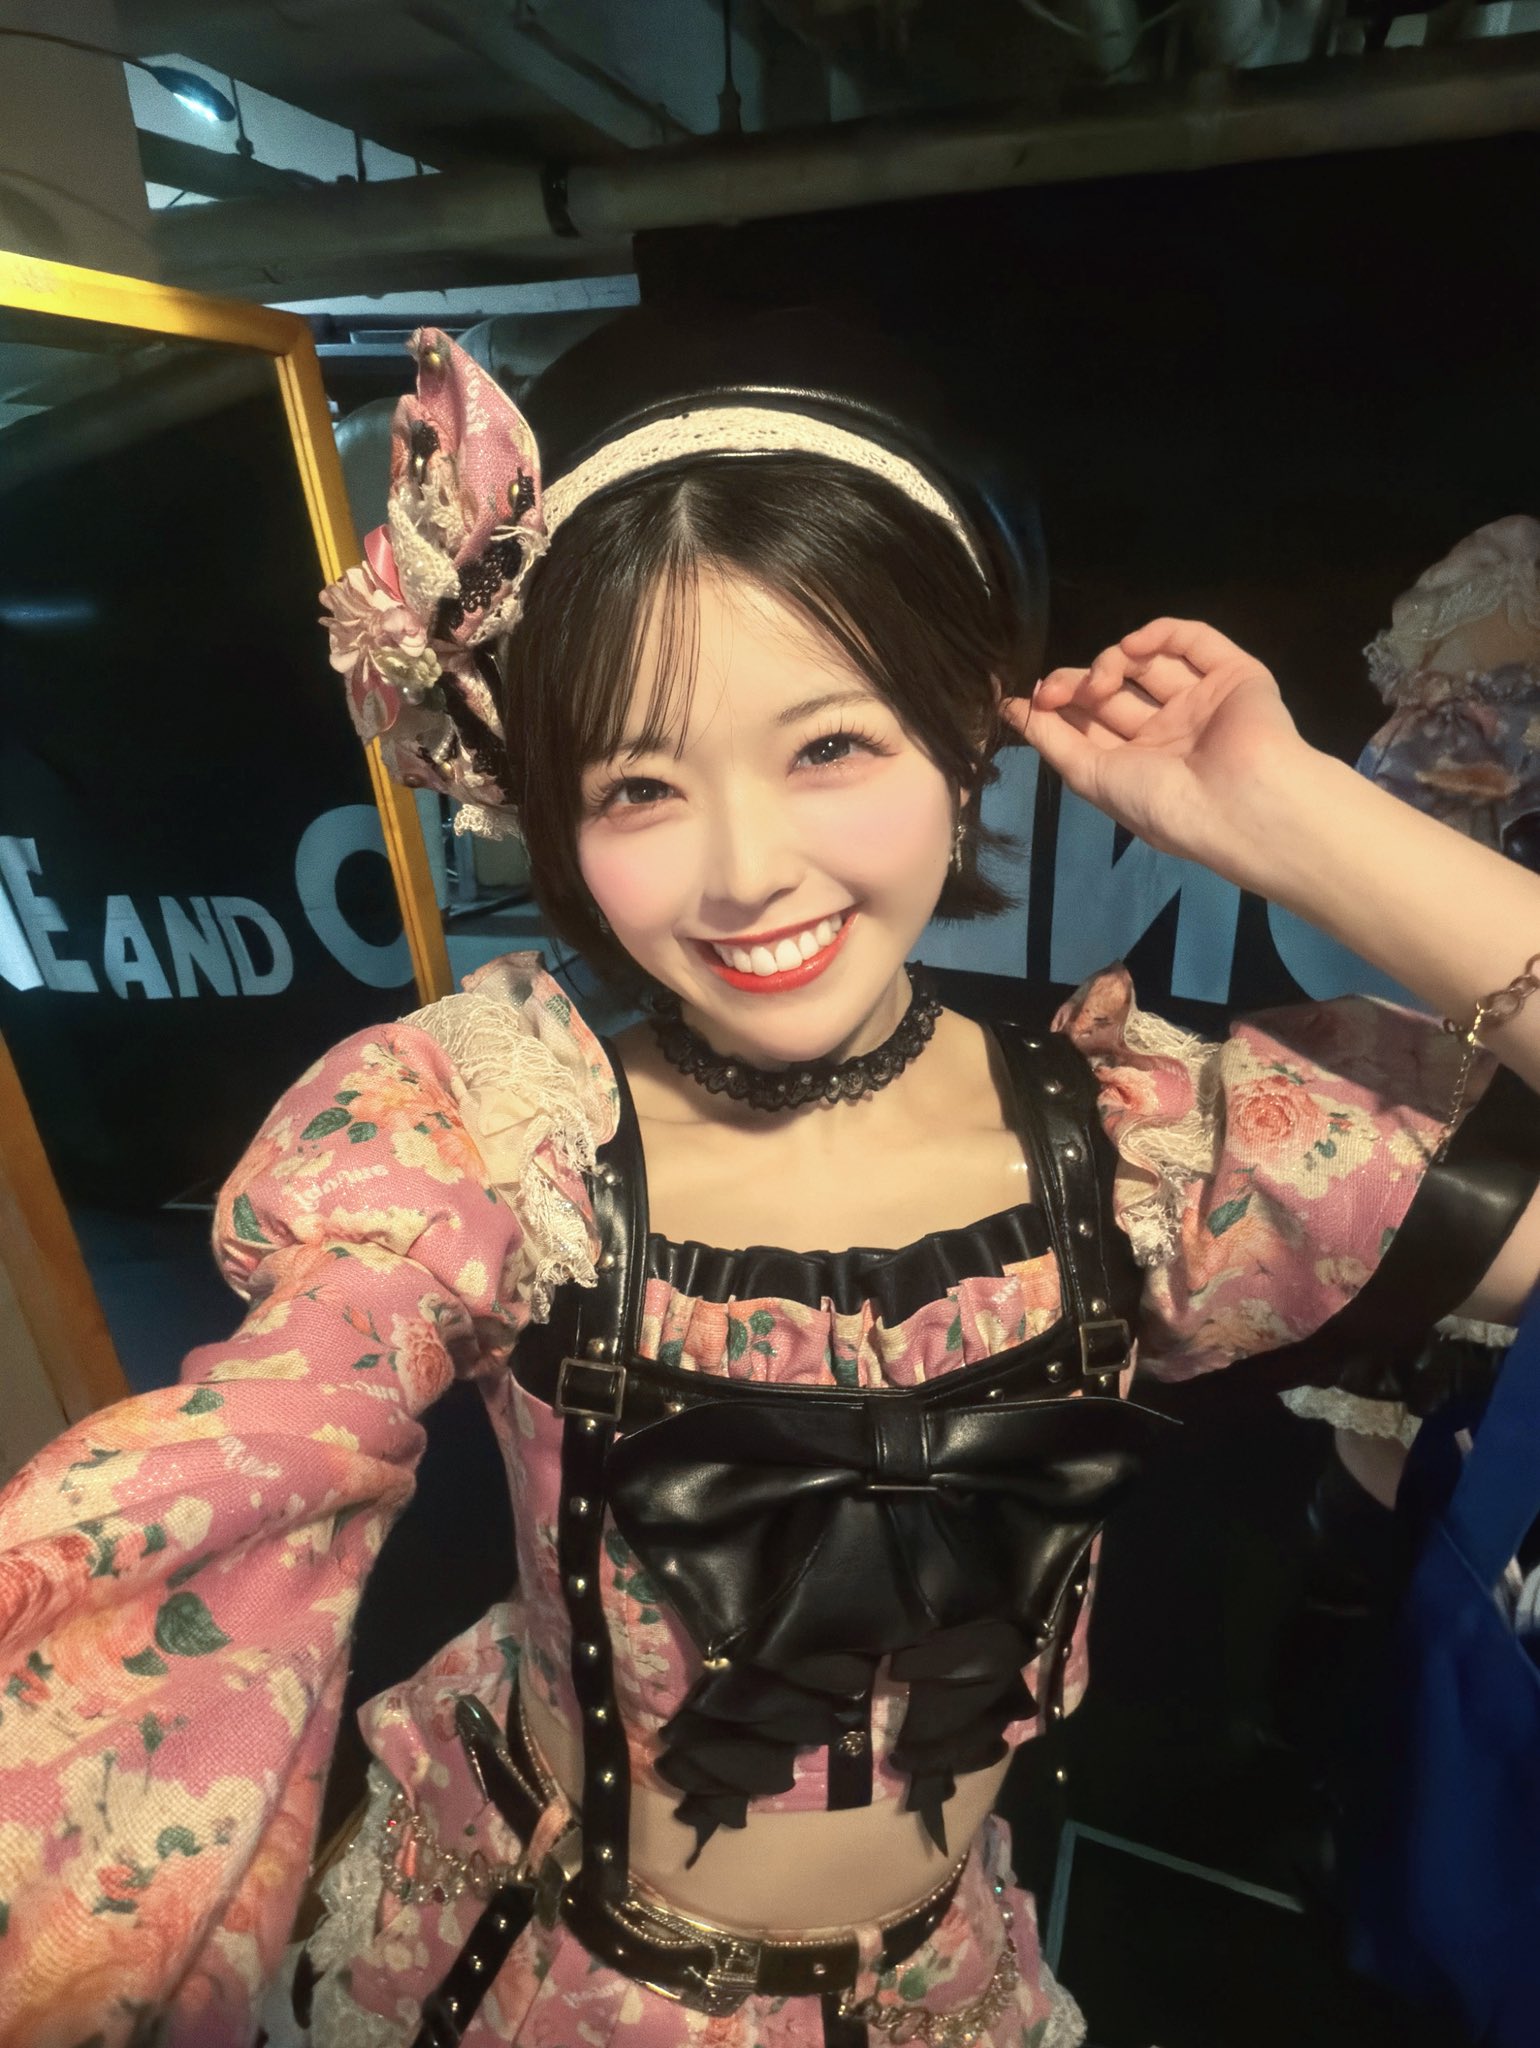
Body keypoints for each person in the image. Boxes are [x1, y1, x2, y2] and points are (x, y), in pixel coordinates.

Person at [1, 311, 1537, 2048]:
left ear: (959, 732)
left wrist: (1292, 814)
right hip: (552, 1989)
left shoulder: (1151, 1156)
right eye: (638, 783)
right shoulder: (491, 1139)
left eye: (828, 748)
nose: (742, 873)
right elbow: (231, 1474)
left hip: (945, 1991)